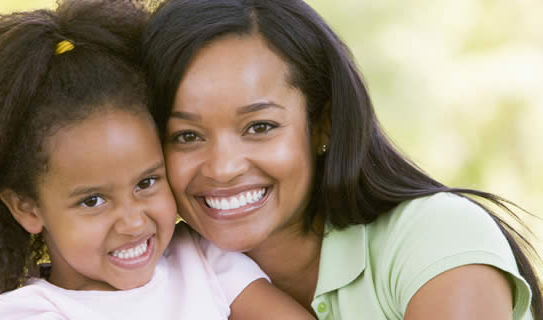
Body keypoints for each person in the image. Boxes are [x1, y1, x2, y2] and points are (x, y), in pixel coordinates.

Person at [0, 1, 315, 319]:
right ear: (27, 207)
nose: (134, 221)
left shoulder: (203, 260)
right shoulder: (29, 313)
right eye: (93, 201)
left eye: (146, 183)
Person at [141, 0, 542, 319]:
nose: (223, 167)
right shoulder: (151, 277)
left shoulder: (435, 236)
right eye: (186, 136)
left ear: (323, 124)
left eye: (260, 127)